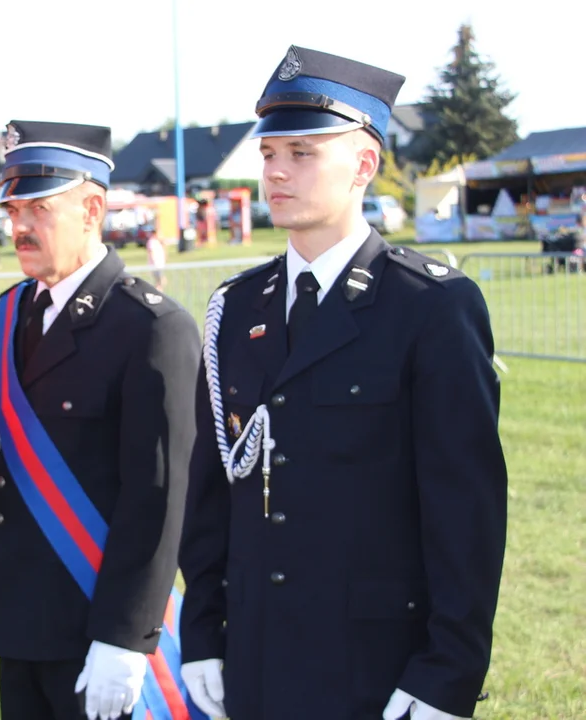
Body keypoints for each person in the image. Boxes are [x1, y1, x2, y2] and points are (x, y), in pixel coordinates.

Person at [178, 46, 508, 720]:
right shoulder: (238, 309)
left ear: (364, 165)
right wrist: (202, 633)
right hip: (257, 659)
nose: (275, 171)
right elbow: (212, 496)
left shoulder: (429, 307)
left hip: (377, 671)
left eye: (302, 154)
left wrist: (448, 672)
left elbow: (466, 513)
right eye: (270, 153)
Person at [0, 119, 201, 720]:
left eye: (38, 209)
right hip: (18, 620)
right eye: (12, 208)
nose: (18, 226)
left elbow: (158, 500)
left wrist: (126, 635)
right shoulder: (6, 316)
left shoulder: (151, 329)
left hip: (96, 627)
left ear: (91, 209)